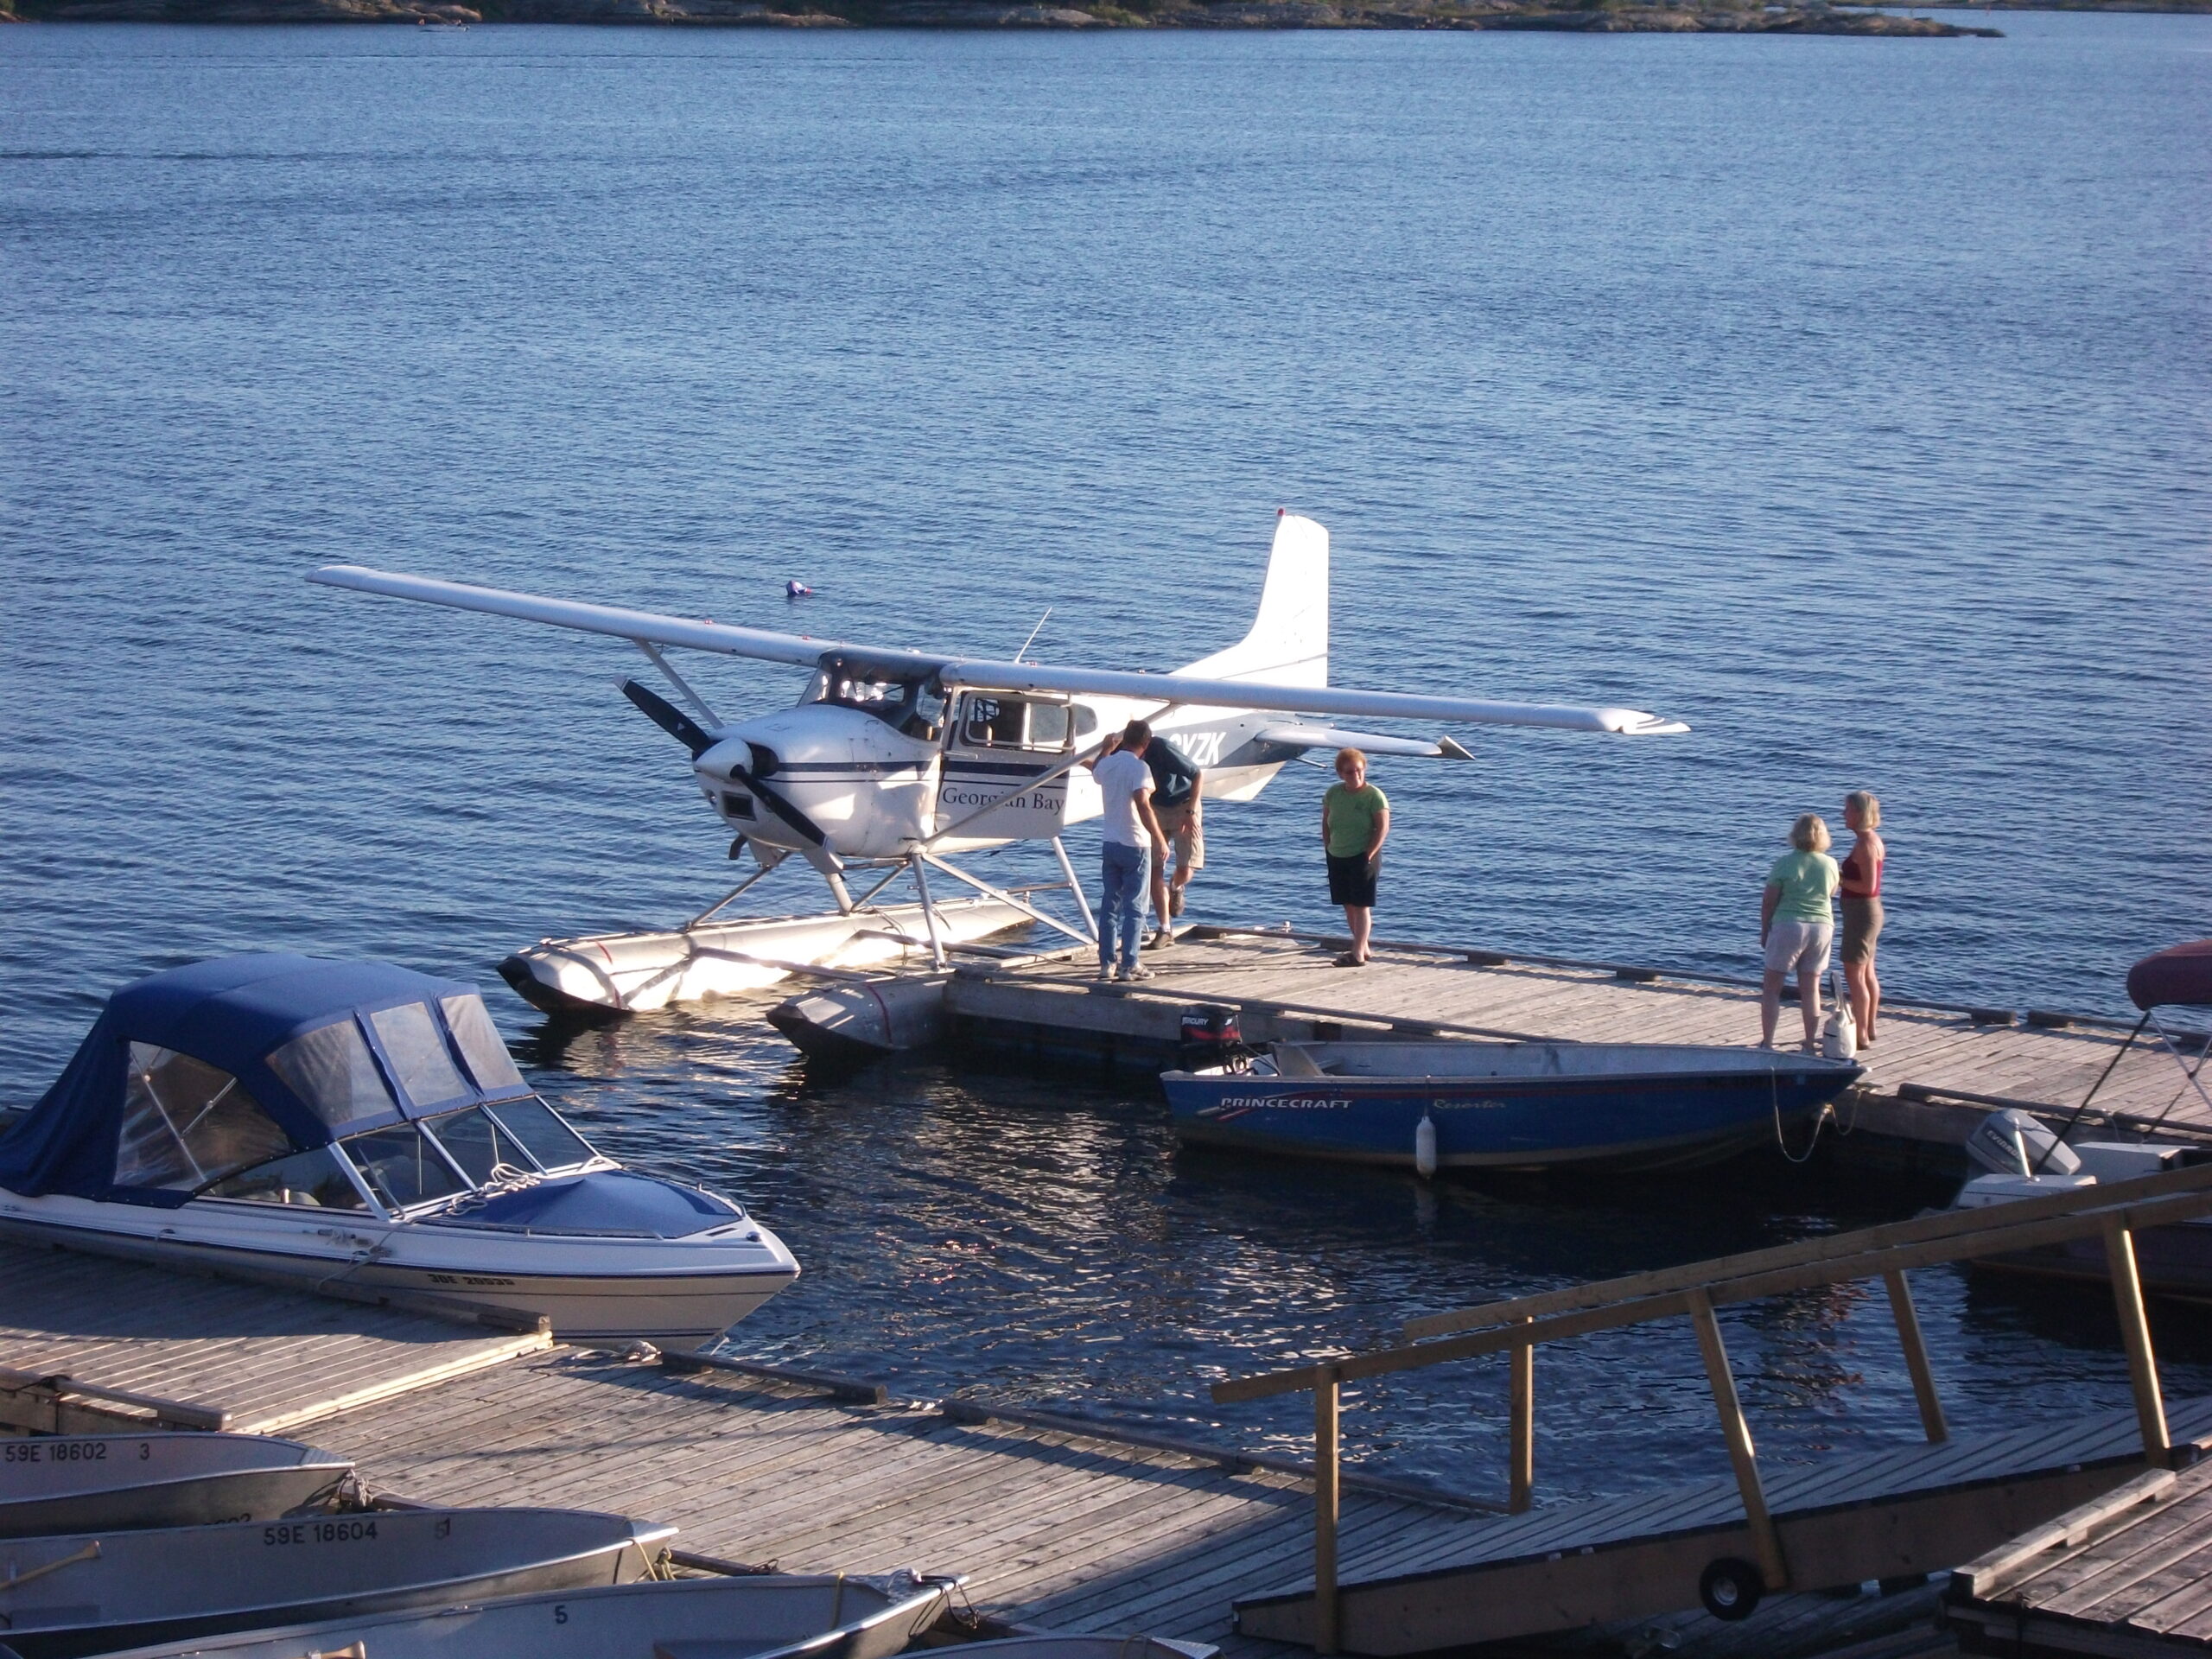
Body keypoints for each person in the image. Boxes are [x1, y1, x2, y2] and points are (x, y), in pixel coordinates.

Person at [1085, 719, 1168, 982]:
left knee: (1110, 905)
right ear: (1146, 743)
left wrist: (1106, 748)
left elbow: (1097, 771)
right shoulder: (1140, 768)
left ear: (1123, 740)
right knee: (1135, 907)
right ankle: (1129, 963)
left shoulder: (1108, 763)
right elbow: (1142, 802)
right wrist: (1159, 838)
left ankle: (1106, 963)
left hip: (1110, 842)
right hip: (1135, 843)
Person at [1759, 812, 1840, 1050]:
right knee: (1811, 988)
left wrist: (1764, 930)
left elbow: (1769, 901)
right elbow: (1831, 893)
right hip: (1822, 927)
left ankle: (1768, 1042)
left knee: (1772, 987)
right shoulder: (1830, 864)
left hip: (1788, 925)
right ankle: (1809, 1041)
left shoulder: (1785, 863)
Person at [1321, 748, 1389, 967]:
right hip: (1337, 854)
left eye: (1359, 770)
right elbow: (1326, 821)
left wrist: (1368, 854)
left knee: (1361, 905)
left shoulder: (1374, 796)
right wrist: (1328, 847)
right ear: (1340, 773)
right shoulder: (1333, 793)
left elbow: (1382, 828)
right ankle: (1363, 947)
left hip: (1362, 855)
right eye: (1349, 772)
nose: (1355, 775)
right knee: (1348, 904)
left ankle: (1357, 953)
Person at [1143, 735, 1204, 948]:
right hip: (1153, 808)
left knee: (1186, 867)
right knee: (1154, 868)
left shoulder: (1162, 747)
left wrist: (1191, 811)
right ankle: (1165, 929)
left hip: (1183, 804)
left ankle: (1176, 886)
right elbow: (1103, 766)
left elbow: (1197, 774)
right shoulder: (1123, 749)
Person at [1839, 790, 1886, 1046]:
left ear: (1858, 813)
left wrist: (1839, 879)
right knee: (1867, 971)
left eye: (1847, 809)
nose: (1843, 814)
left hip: (1862, 912)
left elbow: (1868, 886)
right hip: (1866, 912)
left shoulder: (1866, 845)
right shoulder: (1870, 840)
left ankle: (1861, 1034)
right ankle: (1870, 1027)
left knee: (1854, 974)